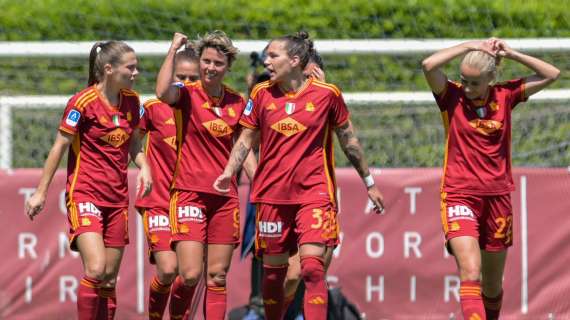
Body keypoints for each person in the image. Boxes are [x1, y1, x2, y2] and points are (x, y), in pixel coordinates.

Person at [214, 31, 385, 320]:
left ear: (295, 60)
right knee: (273, 279)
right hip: (272, 197)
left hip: (314, 194)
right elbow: (245, 140)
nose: (267, 61)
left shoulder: (327, 95)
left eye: (273, 56)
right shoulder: (261, 94)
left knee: (312, 268)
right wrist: (229, 171)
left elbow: (349, 140)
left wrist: (369, 182)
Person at [422, 38, 559, 320]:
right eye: (464, 81)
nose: (468, 88)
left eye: (475, 83)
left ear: (491, 79)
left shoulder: (505, 96)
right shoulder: (451, 96)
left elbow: (551, 74)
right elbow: (429, 65)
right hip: (459, 194)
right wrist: (469, 46)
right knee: (470, 271)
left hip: (498, 199)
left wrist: (511, 53)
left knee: (493, 286)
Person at [25, 40, 152, 320]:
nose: (136, 73)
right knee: (95, 269)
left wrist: (144, 166)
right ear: (109, 69)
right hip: (85, 195)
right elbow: (59, 146)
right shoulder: (82, 102)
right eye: (130, 67)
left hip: (117, 200)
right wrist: (41, 192)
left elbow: (134, 147)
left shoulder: (132, 101)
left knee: (108, 280)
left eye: (137, 67)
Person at [156, 31, 255, 320]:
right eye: (206, 61)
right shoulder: (186, 94)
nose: (211, 67)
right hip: (189, 194)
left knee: (217, 277)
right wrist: (173, 48)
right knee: (189, 274)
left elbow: (244, 147)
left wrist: (259, 184)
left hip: (224, 200)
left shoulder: (237, 102)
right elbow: (163, 92)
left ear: (227, 67)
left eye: (218, 63)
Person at [136, 46, 200, 320]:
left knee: (189, 275)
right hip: (159, 202)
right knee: (166, 269)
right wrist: (144, 167)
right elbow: (131, 142)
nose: (185, 84)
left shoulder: (206, 112)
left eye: (192, 78)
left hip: (192, 202)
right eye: (180, 77)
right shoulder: (152, 109)